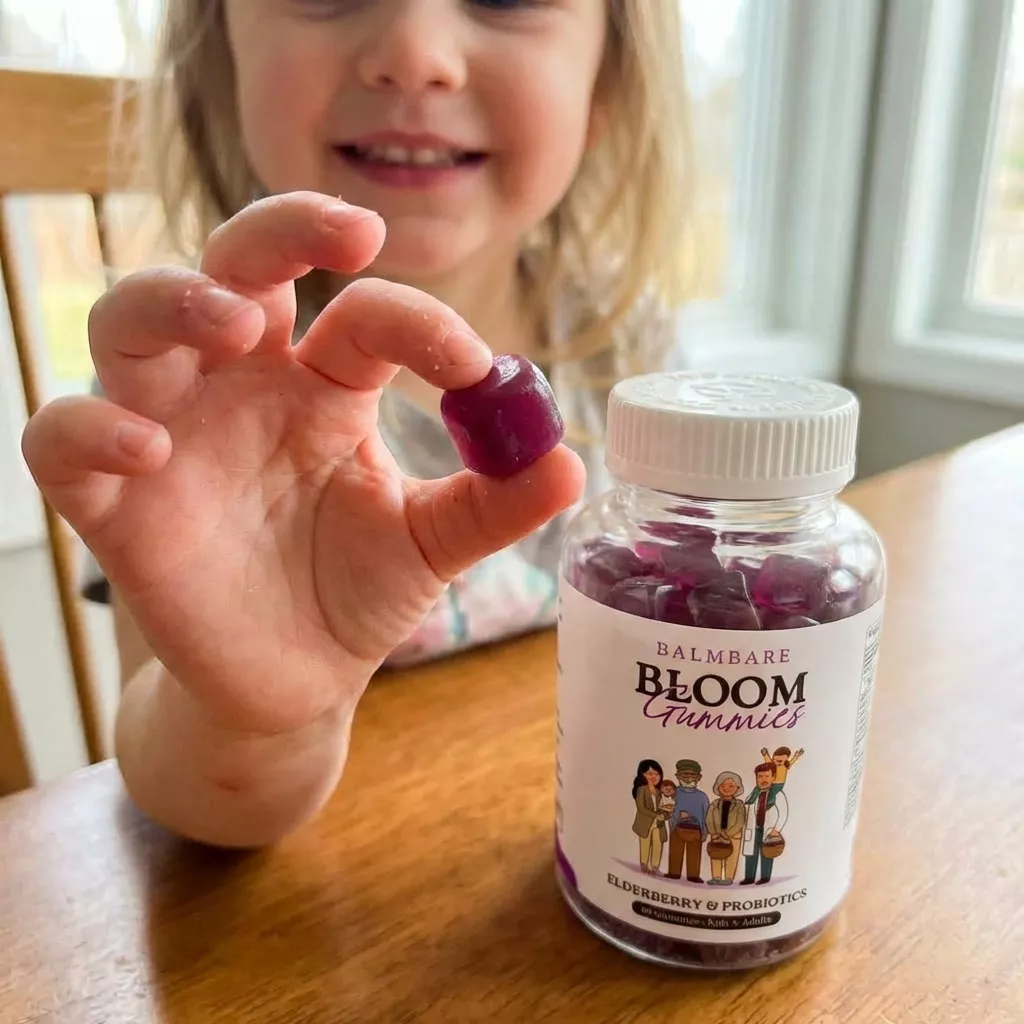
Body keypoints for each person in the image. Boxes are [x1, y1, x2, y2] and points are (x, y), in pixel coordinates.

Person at [20, 1, 692, 849]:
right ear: (218, 64)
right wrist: (251, 723)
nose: (415, 55)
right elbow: (190, 797)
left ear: (609, 85)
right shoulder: (189, 393)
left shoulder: (638, 353)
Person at [741, 763, 789, 885]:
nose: (763, 780)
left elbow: (783, 813)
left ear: (773, 777)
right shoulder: (753, 794)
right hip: (754, 828)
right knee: (751, 854)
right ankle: (749, 877)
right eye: (760, 776)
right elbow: (747, 810)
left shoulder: (777, 794)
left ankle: (765, 877)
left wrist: (776, 829)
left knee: (767, 853)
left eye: (767, 776)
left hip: (768, 829)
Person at [666, 759, 709, 882]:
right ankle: (674, 873)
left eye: (692, 775)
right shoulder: (675, 793)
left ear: (698, 777)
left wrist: (704, 832)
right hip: (677, 828)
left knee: (694, 853)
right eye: (685, 774)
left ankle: (693, 875)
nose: (689, 778)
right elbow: (669, 809)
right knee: (675, 851)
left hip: (696, 831)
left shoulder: (702, 796)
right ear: (678, 776)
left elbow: (705, 815)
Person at [705, 771, 746, 886]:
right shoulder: (714, 804)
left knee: (732, 856)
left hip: (733, 835)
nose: (726, 788)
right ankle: (716, 877)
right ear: (718, 787)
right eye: (723, 785)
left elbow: (740, 821)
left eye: (731, 786)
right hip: (716, 835)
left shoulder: (739, 805)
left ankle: (728, 877)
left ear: (738, 788)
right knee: (715, 854)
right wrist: (714, 832)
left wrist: (728, 834)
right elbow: (709, 819)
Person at [630, 760, 667, 875]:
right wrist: (656, 815)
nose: (654, 777)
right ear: (643, 775)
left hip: (658, 823)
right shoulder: (642, 790)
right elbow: (641, 808)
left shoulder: (660, 791)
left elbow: (664, 806)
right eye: (650, 774)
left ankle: (655, 866)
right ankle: (644, 864)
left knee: (658, 843)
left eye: (657, 774)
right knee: (645, 843)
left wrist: (665, 813)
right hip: (645, 822)